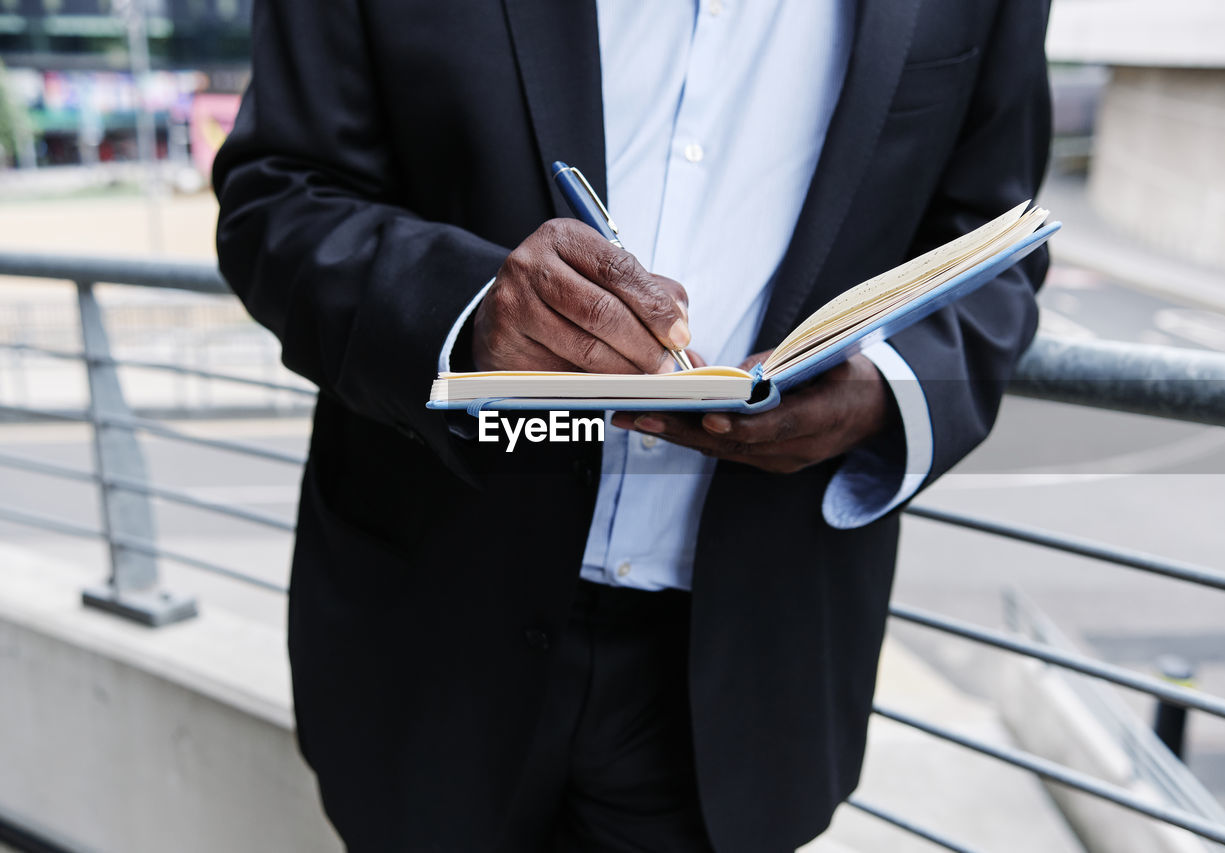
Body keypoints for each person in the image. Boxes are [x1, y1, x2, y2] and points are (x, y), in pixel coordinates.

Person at [213, 1, 1051, 850]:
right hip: (432, 632)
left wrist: (882, 391)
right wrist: (468, 314)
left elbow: (995, 249)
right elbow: (278, 197)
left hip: (745, 669)